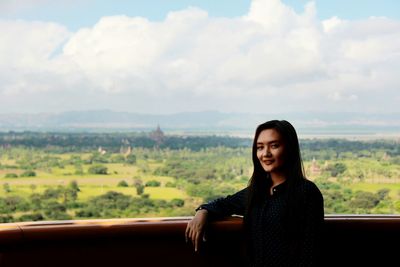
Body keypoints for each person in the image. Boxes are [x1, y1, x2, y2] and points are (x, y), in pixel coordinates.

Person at [185, 120, 324, 267]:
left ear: (289, 148)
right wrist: (202, 212)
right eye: (260, 147)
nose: (265, 154)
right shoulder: (257, 192)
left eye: (274, 146)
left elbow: (311, 252)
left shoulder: (306, 192)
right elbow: (223, 204)